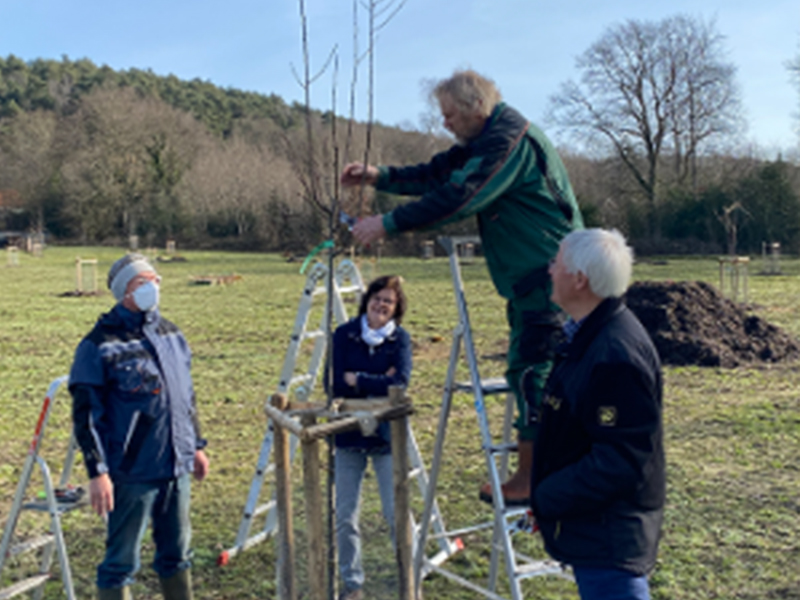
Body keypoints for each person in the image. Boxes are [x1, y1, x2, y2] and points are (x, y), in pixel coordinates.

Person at [340, 69, 583, 505]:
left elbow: (461, 195)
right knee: (529, 368)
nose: (445, 124)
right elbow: (437, 174)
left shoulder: (508, 142)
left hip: (552, 279)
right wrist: (379, 177)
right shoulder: (481, 142)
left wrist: (387, 223)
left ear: (477, 108)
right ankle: (540, 467)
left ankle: (533, 476)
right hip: (532, 280)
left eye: (450, 115)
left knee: (533, 373)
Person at [531, 229, 665, 600]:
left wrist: (547, 496)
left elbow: (619, 461)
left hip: (610, 536)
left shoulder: (615, 354)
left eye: (556, 261)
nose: (549, 269)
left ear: (579, 280)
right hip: (593, 525)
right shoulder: (587, 336)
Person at [69, 253, 209, 600]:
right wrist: (97, 471)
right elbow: (86, 414)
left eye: (155, 280)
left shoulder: (172, 335)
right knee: (121, 563)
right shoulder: (99, 344)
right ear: (123, 292)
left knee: (177, 555)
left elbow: (186, 396)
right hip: (133, 472)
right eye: (141, 282)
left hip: (176, 465)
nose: (153, 287)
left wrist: (198, 446)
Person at [332, 275, 412, 600]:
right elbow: (336, 383)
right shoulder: (344, 335)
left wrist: (359, 379)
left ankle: (408, 578)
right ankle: (353, 584)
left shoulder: (400, 339)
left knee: (396, 512)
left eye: (388, 301)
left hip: (385, 435)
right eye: (377, 298)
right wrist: (380, 379)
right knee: (345, 515)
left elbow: (401, 382)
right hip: (348, 432)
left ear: (396, 309)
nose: (381, 305)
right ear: (367, 300)